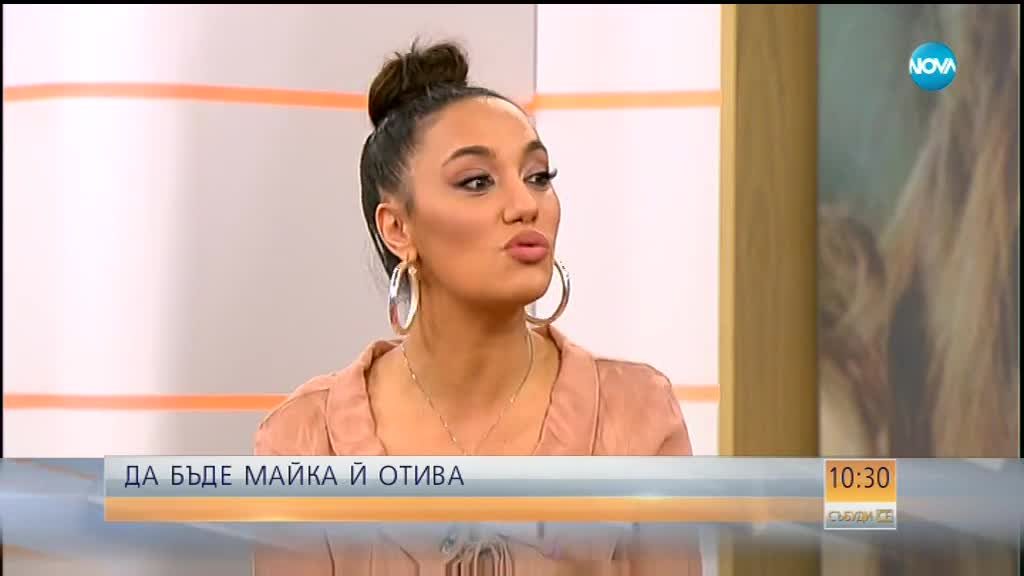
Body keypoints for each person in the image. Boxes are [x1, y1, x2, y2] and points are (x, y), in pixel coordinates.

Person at [253, 41, 700, 574]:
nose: (526, 205)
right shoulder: (306, 442)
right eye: (477, 182)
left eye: (538, 176)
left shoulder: (636, 415)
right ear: (397, 228)